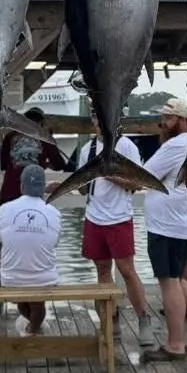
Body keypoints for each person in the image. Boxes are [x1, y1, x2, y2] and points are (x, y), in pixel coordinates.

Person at [71, 130, 153, 329]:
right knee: (102, 269)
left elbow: (137, 183)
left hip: (119, 218)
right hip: (93, 218)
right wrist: (78, 181)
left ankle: (144, 319)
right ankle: (109, 321)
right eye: (95, 117)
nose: (98, 122)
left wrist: (108, 175)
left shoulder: (126, 146)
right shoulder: (87, 149)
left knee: (127, 270)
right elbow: (83, 188)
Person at [140, 99, 187, 361]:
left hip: (165, 224)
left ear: (183, 120)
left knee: (169, 282)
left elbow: (145, 174)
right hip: (180, 221)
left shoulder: (176, 144)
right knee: (179, 280)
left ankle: (175, 343)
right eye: (162, 118)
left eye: (169, 118)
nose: (163, 123)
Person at [0, 164, 62, 333]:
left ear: (21, 185)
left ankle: (32, 329)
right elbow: (54, 243)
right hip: (44, 279)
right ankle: (34, 329)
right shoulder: (54, 213)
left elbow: (1, 240)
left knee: (23, 299)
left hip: (11, 278)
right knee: (37, 301)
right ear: (43, 187)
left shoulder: (4, 209)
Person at [0, 107, 66, 204]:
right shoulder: (46, 138)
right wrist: (45, 164)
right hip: (32, 195)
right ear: (41, 123)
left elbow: (2, 164)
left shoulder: (10, 137)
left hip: (9, 193)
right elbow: (59, 165)